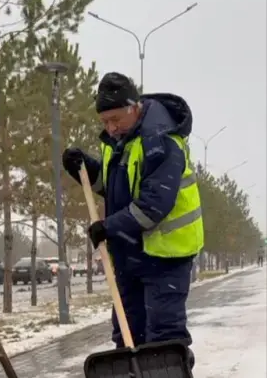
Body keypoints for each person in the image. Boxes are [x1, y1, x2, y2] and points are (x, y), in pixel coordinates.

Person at [63, 72, 204, 360]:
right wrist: (83, 168)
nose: (111, 128)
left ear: (133, 107)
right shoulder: (119, 141)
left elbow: (153, 205)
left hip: (166, 256)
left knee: (164, 337)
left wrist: (108, 227)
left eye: (115, 119)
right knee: (128, 334)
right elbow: (113, 189)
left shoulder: (162, 141)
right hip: (130, 254)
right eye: (105, 122)